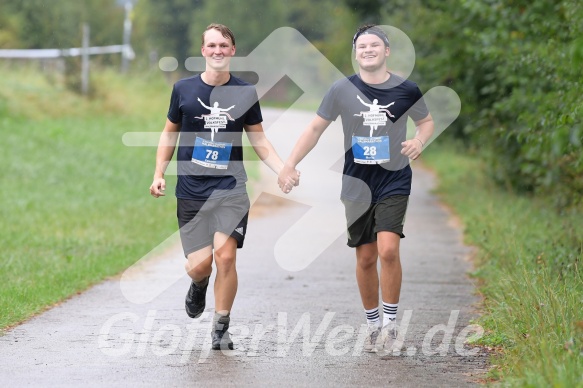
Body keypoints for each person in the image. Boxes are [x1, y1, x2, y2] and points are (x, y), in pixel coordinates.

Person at [278, 24, 434, 353]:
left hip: (394, 178)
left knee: (389, 249)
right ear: (355, 53)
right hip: (356, 183)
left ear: (386, 51)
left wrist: (420, 140)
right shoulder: (341, 90)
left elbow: (426, 121)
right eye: (362, 46)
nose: (367, 50)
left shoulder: (406, 89)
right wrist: (290, 163)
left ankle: (391, 326)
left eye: (374, 45)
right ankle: (374, 323)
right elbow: (315, 128)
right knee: (365, 258)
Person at [150, 23, 299, 350]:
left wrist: (282, 168)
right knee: (201, 265)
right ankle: (198, 283)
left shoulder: (244, 93)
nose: (217, 51)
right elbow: (169, 134)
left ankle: (221, 326)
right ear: (203, 51)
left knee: (226, 257)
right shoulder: (183, 90)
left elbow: (258, 139)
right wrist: (159, 172)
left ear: (233, 51)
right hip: (191, 191)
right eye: (212, 46)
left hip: (231, 189)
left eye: (224, 46)